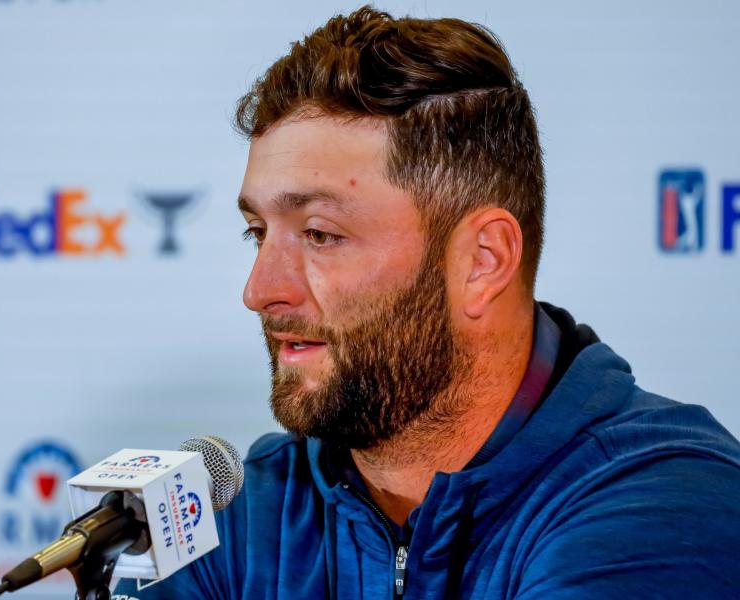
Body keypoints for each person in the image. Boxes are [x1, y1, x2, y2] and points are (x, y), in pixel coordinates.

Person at [115, 6, 740, 599]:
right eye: (258, 233)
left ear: (483, 261)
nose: (259, 291)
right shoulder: (240, 517)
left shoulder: (664, 499)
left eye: (321, 234)